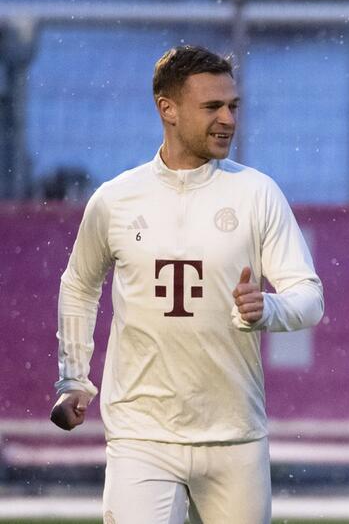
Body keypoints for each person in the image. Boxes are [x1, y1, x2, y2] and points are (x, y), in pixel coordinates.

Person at [49, 45, 324, 524]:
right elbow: (79, 285)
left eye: (233, 106)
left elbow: (309, 297)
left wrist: (269, 310)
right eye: (212, 107)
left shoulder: (257, 193)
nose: (228, 119)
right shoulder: (115, 200)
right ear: (167, 109)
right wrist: (74, 377)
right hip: (141, 436)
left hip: (234, 436)